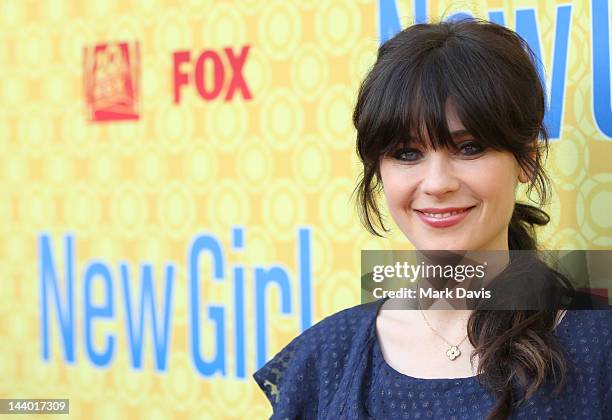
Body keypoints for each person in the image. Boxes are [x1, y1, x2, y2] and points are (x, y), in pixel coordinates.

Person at [253, 19, 611, 419]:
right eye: (407, 153)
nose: (437, 183)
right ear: (379, 169)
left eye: (470, 147)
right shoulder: (325, 358)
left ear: (528, 156)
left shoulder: (599, 346)